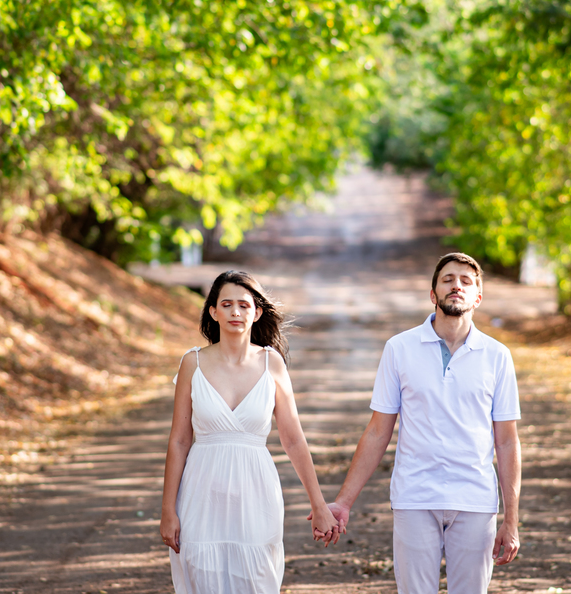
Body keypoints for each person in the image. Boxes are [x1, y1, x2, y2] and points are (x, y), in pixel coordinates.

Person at [323, 252, 522, 594]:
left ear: (478, 297)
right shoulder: (399, 348)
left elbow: (506, 441)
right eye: (447, 280)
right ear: (433, 294)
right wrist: (343, 501)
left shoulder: (497, 356)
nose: (456, 286)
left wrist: (512, 520)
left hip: (474, 499)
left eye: (466, 281)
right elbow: (378, 431)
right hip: (414, 496)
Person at [160, 269, 339, 594]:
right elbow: (180, 440)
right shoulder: (192, 363)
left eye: (244, 305)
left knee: (256, 580)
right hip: (201, 494)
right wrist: (167, 510)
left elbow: (293, 439)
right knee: (202, 575)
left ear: (256, 313)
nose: (235, 312)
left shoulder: (272, 363)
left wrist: (319, 505)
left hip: (256, 494)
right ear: (213, 312)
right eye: (226, 304)